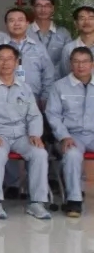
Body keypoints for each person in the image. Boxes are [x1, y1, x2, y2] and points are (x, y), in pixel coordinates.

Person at [0, 44, 52, 220]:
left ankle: (37, 202)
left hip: (22, 135)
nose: (5, 63)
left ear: (16, 62)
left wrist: (35, 134)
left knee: (39, 153)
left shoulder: (24, 87)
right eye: (1, 59)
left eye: (10, 59)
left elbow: (34, 115)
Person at [47, 46, 94, 218]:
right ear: (70, 64)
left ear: (92, 64)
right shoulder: (59, 86)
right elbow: (53, 115)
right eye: (76, 62)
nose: (81, 66)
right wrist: (63, 136)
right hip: (71, 135)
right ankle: (74, 200)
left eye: (85, 62)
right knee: (72, 154)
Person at [29, 0, 71, 68]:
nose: (43, 10)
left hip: (58, 75)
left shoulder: (63, 33)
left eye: (47, 6)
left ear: (52, 8)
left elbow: (69, 59)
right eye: (39, 6)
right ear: (32, 8)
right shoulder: (24, 32)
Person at [59, 5, 94, 80]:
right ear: (76, 23)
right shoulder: (68, 49)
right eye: (82, 18)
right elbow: (65, 76)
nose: (87, 22)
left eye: (91, 18)